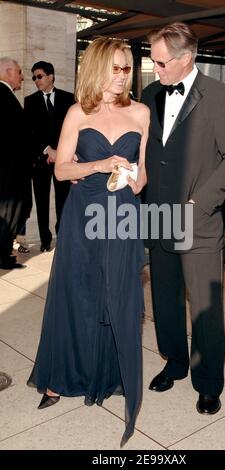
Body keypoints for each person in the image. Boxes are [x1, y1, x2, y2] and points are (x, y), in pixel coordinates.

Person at [27, 37, 149, 446]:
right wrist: (99, 165)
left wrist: (132, 177)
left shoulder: (142, 112)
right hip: (84, 215)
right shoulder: (77, 113)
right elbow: (61, 170)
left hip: (124, 216)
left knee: (117, 297)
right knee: (76, 295)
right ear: (97, 67)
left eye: (127, 68)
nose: (121, 76)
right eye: (115, 68)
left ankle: (107, 373)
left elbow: (144, 174)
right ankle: (61, 377)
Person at [141, 22, 225, 414]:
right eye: (152, 61)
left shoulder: (219, 97)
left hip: (198, 219)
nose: (156, 69)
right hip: (157, 215)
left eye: (162, 62)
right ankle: (174, 362)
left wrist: (199, 202)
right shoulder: (150, 93)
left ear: (187, 59)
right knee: (165, 299)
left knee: (204, 306)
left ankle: (208, 382)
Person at [24, 61, 75, 252]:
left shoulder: (69, 99)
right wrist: (48, 150)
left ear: (51, 76)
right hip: (41, 159)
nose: (36, 80)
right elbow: (30, 133)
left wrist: (60, 152)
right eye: (34, 77)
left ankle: (62, 235)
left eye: (39, 76)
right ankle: (45, 240)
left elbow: (72, 130)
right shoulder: (30, 101)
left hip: (63, 158)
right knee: (42, 200)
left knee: (64, 199)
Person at [0, 57, 26, 269]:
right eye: (18, 71)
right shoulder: (4, 96)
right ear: (8, 72)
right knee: (8, 213)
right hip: (9, 171)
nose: (21, 76)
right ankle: (3, 256)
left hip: (9, 169)